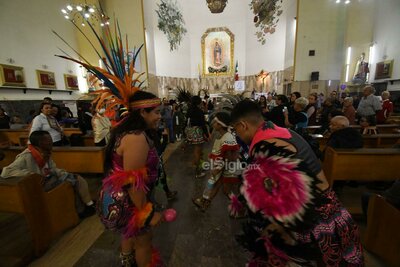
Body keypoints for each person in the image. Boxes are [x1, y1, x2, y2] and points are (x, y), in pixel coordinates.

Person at [230, 100, 363, 266]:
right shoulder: (281, 131)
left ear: (243, 125)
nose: (238, 135)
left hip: (311, 224)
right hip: (333, 212)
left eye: (236, 130)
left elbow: (281, 201)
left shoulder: (263, 146)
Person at [97, 91, 164, 267]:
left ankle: (127, 261)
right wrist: (147, 214)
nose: (159, 116)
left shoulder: (128, 131)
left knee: (129, 234)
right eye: (156, 112)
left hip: (122, 196)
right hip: (129, 201)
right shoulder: (136, 137)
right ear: (142, 112)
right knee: (143, 241)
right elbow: (133, 182)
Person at [1, 131, 96, 218]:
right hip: (41, 186)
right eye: (47, 140)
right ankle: (84, 207)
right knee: (73, 181)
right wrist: (32, 175)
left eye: (50, 139)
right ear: (39, 143)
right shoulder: (27, 156)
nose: (51, 142)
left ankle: (86, 205)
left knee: (76, 179)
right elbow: (6, 171)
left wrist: (62, 172)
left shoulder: (45, 152)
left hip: (49, 179)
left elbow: (52, 169)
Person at [192, 112, 240, 212]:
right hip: (224, 167)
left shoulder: (227, 138)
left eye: (215, 122)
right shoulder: (223, 135)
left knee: (226, 191)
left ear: (220, 125)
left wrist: (218, 169)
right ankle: (204, 202)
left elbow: (229, 158)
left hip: (228, 169)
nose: (212, 124)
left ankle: (239, 208)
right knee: (216, 185)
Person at [186, 96, 210, 178]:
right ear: (199, 102)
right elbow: (202, 124)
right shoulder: (199, 111)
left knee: (198, 151)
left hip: (191, 132)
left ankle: (200, 166)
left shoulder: (189, 110)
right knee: (198, 152)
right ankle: (197, 172)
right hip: (197, 132)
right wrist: (207, 134)